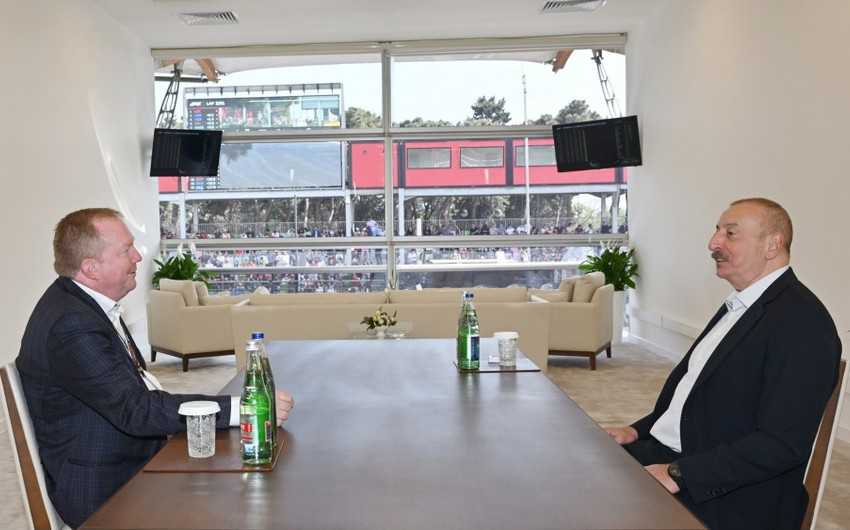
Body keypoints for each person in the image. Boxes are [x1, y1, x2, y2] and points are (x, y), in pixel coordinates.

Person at [16, 208, 295, 528]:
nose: (137, 256)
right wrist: (243, 409)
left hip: (128, 462)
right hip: (107, 491)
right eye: (126, 250)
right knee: (244, 503)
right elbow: (135, 410)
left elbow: (139, 394)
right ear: (91, 268)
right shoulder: (71, 324)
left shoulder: (85, 305)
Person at [605, 198, 841, 529]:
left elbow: (782, 444)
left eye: (731, 233)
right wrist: (635, 431)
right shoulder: (743, 305)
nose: (713, 243)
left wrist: (679, 474)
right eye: (717, 231)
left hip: (730, 494)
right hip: (679, 457)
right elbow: (692, 401)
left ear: (772, 245)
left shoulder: (802, 322)